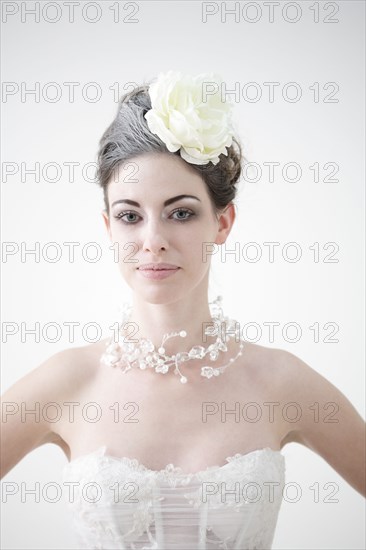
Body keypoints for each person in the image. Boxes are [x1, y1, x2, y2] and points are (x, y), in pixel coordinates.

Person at [1, 70, 365, 549]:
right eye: (131, 216)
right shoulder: (67, 381)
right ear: (109, 228)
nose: (153, 242)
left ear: (223, 221)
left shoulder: (280, 381)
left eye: (181, 212)